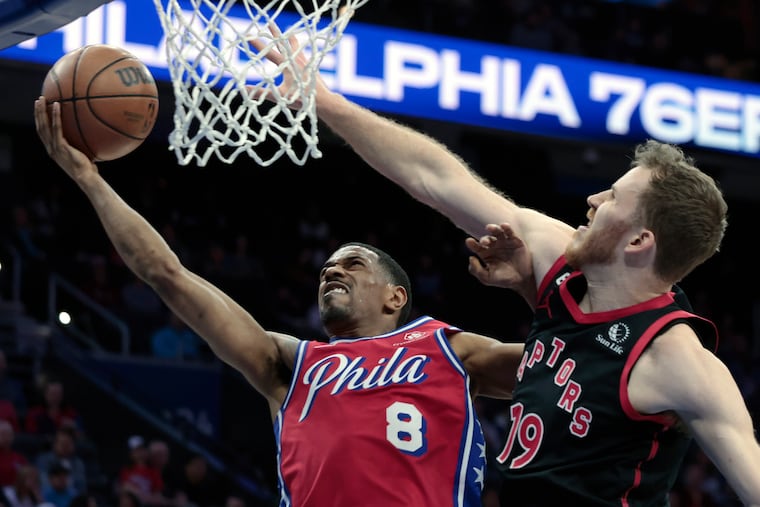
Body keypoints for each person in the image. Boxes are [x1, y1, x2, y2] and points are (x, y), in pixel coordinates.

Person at [250, 30, 760, 505]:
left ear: (639, 241)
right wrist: (327, 102)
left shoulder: (678, 362)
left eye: (612, 199)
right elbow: (434, 177)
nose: (592, 198)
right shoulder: (558, 262)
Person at [34, 98, 529, 507]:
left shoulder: (446, 347)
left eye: (353, 264)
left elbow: (564, 365)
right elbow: (167, 275)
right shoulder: (291, 363)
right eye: (326, 269)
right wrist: (90, 181)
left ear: (395, 296)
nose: (332, 271)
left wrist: (531, 286)